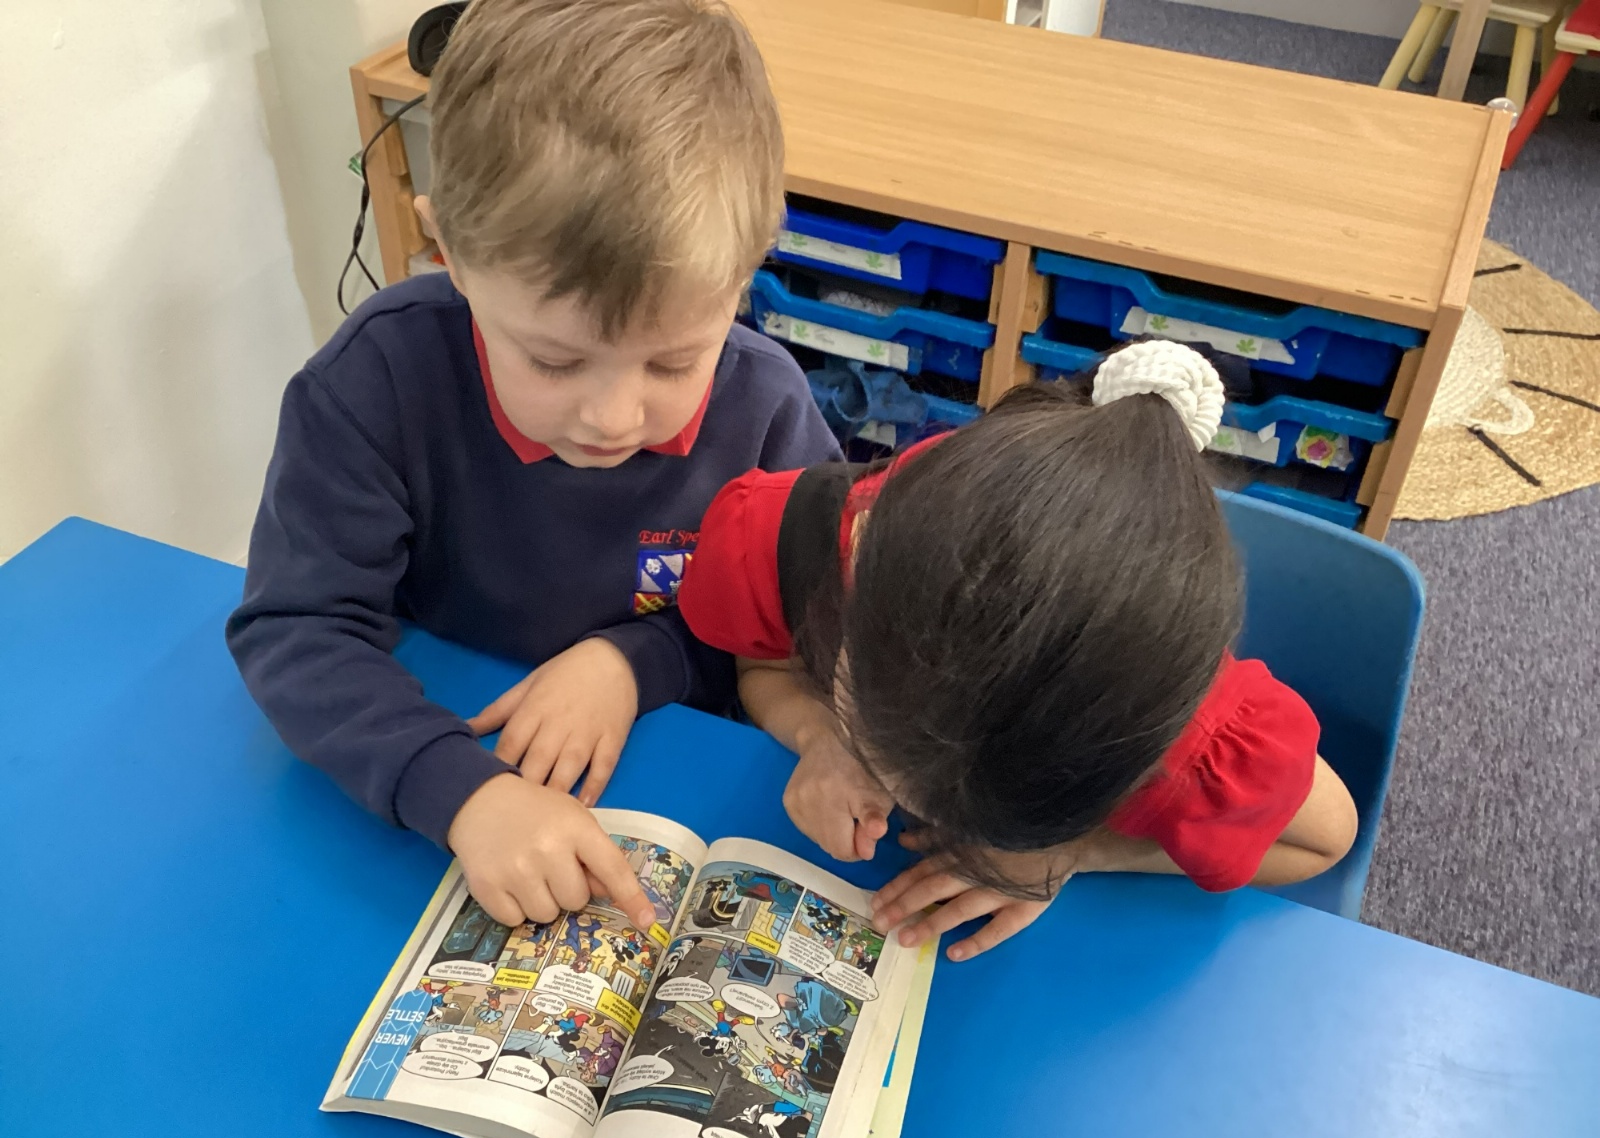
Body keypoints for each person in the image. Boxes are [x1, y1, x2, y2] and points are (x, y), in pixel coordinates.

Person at [226, 0, 839, 933]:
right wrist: (459, 792)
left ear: (746, 277)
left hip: (685, 776)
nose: (613, 417)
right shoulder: (375, 381)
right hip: (444, 754)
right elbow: (297, 626)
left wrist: (640, 660)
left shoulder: (765, 406)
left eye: (674, 361)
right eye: (554, 362)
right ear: (449, 252)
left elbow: (797, 625)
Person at [677, 341, 1359, 962]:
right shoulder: (786, 543)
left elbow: (1324, 839)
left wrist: (1082, 851)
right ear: (846, 625)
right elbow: (763, 662)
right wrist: (817, 735)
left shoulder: (1175, 731)